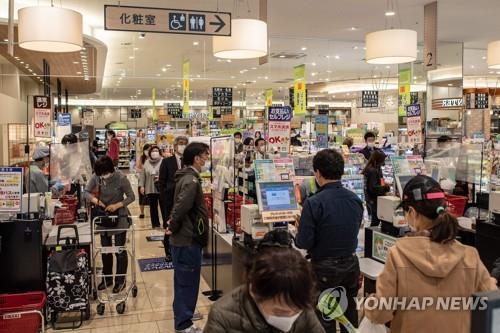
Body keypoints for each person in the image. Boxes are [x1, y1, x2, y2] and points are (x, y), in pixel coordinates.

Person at [365, 175, 497, 333]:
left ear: (412, 213)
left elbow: (381, 314)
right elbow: (492, 299)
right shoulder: (470, 255)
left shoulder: (398, 255)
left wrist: (369, 304)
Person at [296, 149, 364, 333]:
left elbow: (303, 242)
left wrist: (299, 228)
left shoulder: (314, 203)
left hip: (324, 268)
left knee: (324, 318)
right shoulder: (355, 199)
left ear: (317, 173)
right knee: (349, 314)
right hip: (350, 265)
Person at [204, 247, 325, 333]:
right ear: (254, 292)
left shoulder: (298, 301)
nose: (291, 316)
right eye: (280, 312)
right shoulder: (223, 316)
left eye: (297, 311)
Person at [166, 142, 210, 333]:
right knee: (188, 281)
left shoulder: (186, 177)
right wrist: (172, 225)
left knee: (183, 279)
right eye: (204, 156)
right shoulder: (191, 181)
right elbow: (182, 206)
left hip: (184, 238)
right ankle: (184, 324)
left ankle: (183, 314)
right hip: (187, 239)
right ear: (196, 158)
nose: (206, 159)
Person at [84, 156, 135, 293]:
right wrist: (96, 201)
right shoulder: (97, 176)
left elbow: (131, 196)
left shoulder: (121, 177)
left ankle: (120, 280)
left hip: (119, 217)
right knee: (105, 251)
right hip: (103, 217)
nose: (103, 177)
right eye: (100, 174)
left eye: (105, 174)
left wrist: (117, 205)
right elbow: (86, 192)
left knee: (119, 251)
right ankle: (107, 279)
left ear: (111, 170)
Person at [158, 135, 188, 259]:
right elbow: (161, 182)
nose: (182, 146)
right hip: (170, 199)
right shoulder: (166, 161)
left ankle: (183, 250)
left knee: (184, 225)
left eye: (185, 144)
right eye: (180, 143)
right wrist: (164, 197)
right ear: (175, 146)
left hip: (186, 199)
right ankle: (168, 252)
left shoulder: (189, 161)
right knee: (169, 225)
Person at [362, 150, 390, 227]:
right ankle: (370, 237)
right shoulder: (373, 171)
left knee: (376, 220)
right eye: (382, 160)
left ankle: (370, 236)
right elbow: (373, 188)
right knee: (376, 220)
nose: (383, 162)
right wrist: (385, 188)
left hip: (371, 199)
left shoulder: (372, 168)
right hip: (374, 199)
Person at [139, 145, 164, 229]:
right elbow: (143, 175)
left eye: (156, 151)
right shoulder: (146, 162)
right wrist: (141, 186)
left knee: (163, 207)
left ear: (159, 152)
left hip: (161, 188)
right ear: (150, 153)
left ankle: (166, 223)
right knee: (153, 208)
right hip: (150, 187)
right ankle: (155, 224)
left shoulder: (163, 161)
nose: (154, 152)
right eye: (153, 151)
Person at [136, 143, 151, 219]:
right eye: (146, 150)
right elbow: (137, 168)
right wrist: (143, 171)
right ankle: (142, 212)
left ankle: (152, 212)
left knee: (151, 196)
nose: (148, 151)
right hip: (142, 180)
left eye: (149, 150)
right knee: (141, 197)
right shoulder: (142, 158)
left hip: (151, 180)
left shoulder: (154, 158)